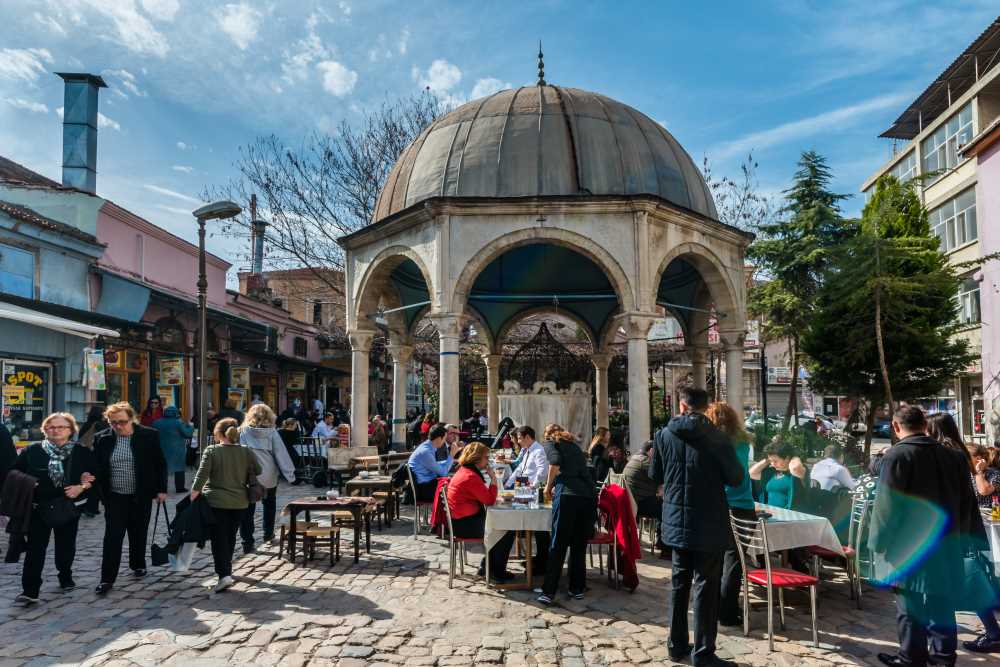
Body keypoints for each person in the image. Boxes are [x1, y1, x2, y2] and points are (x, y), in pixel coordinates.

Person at [871, 405, 985, 667]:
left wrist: (877, 543)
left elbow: (886, 506)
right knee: (942, 603)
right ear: (924, 424)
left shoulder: (897, 456)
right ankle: (943, 658)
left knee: (909, 607)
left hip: (909, 547)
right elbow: (968, 501)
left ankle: (911, 657)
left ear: (897, 427)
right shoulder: (954, 456)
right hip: (947, 544)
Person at [651, 387, 743, 667]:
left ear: (681, 405)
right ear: (706, 407)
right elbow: (736, 478)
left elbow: (655, 473)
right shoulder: (718, 438)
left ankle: (676, 645)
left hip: (677, 520)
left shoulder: (663, 435)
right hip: (708, 521)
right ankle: (703, 653)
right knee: (706, 586)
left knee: (680, 583)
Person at [11, 412, 97, 604]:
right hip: (38, 508)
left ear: (70, 431)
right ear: (45, 430)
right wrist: (26, 481)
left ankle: (65, 575)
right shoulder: (32, 451)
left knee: (66, 546)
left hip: (68, 507)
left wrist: (81, 487)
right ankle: (30, 590)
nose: (56, 430)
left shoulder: (81, 451)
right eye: (51, 427)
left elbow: (95, 476)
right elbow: (14, 471)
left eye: (61, 427)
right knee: (35, 549)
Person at [93, 402, 168, 595]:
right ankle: (107, 579)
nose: (118, 426)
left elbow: (159, 463)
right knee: (112, 537)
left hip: (141, 493)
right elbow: (98, 467)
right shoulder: (102, 439)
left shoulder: (149, 435)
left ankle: (138, 564)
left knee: (138, 530)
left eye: (122, 422)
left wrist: (161, 489)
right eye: (113, 422)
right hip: (115, 496)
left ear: (132, 419)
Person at [191, 417, 262, 593]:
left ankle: (223, 575)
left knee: (218, 539)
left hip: (216, 502)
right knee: (230, 536)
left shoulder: (212, 451)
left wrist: (193, 494)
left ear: (220, 434)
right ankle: (226, 571)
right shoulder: (245, 451)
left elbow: (202, 475)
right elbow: (259, 470)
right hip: (239, 502)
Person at [705, 401, 756, 629]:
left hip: (716, 505)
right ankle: (727, 613)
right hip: (742, 506)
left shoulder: (709, 443)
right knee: (734, 562)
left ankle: (713, 608)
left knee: (714, 560)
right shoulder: (743, 443)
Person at [536, 424, 597, 606]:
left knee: (558, 543)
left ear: (547, 435)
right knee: (579, 544)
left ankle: (549, 591)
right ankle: (577, 588)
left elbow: (554, 462)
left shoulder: (550, 444)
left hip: (568, 495)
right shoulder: (574, 446)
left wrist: (548, 487)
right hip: (587, 496)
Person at [445, 442, 516, 582]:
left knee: (501, 525)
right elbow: (489, 500)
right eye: (486, 457)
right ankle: (495, 572)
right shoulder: (470, 476)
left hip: (460, 521)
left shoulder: (464, 471)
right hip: (464, 525)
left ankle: (488, 566)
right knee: (507, 528)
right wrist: (494, 478)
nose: (488, 461)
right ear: (477, 458)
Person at [238, 404, 296, 551]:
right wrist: (290, 474)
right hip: (269, 475)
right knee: (269, 504)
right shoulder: (272, 433)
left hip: (248, 475)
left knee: (247, 509)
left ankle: (247, 541)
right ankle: (268, 534)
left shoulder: (242, 432)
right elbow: (280, 454)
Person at [505, 425, 550, 573]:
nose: (517, 441)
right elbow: (520, 470)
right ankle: (536, 558)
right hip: (522, 488)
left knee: (537, 526)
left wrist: (533, 486)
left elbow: (542, 470)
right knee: (528, 524)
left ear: (527, 437)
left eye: (519, 438)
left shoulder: (538, 450)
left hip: (530, 491)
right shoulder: (527, 450)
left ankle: (542, 561)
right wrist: (508, 483)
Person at [622, 440, 668, 558]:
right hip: (639, 503)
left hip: (632, 502)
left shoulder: (635, 458)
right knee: (667, 510)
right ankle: (666, 549)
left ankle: (660, 542)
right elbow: (663, 478)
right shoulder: (645, 462)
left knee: (662, 505)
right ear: (651, 451)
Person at [407, 424, 460, 502]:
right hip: (423, 490)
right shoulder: (426, 452)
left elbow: (436, 465)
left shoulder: (427, 447)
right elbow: (443, 473)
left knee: (454, 483)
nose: (444, 442)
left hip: (426, 485)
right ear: (439, 438)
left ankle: (450, 513)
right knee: (454, 487)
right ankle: (451, 513)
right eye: (444, 439)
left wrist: (450, 461)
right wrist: (451, 455)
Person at [749, 439, 807, 509]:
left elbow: (795, 468)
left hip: (789, 516)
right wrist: (767, 460)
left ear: (787, 458)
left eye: (775, 461)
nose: (772, 464)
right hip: (770, 514)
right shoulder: (771, 472)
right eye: (771, 461)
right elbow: (751, 473)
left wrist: (794, 456)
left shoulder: (798, 472)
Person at [152, 406, 195, 493]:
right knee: (179, 469)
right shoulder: (178, 423)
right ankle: (180, 488)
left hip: (161, 449)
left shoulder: (156, 422)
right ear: (176, 413)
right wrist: (190, 426)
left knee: (162, 470)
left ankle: (161, 489)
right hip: (177, 450)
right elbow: (188, 434)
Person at [76, 406, 107, 517]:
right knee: (95, 483)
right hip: (96, 458)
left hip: (85, 457)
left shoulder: (86, 425)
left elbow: (80, 443)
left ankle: (87, 506)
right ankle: (91, 507)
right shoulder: (100, 425)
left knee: (88, 482)